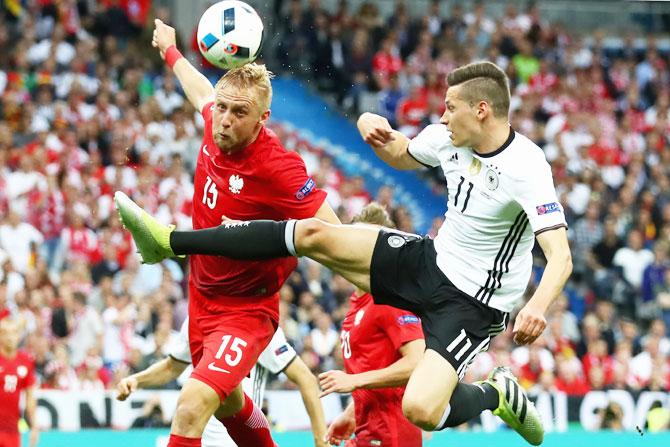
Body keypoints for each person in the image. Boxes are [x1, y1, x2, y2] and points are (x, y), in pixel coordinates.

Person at [115, 61, 573, 445]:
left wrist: (536, 306)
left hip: (472, 302)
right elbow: (403, 153)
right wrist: (377, 132)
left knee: (421, 408)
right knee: (314, 234)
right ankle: (172, 241)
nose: (443, 116)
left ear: (482, 110)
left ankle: (496, 396)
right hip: (429, 260)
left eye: (450, 108)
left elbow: (560, 256)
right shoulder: (448, 137)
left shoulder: (526, 167)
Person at [147, 19, 340, 447]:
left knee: (193, 401)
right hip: (201, 299)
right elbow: (199, 89)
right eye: (222, 108)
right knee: (231, 406)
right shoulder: (212, 121)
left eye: (239, 113)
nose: (224, 121)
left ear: (262, 118)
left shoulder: (278, 167)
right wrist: (171, 52)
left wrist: (274, 236)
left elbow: (334, 231)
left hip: (246, 311)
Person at [116, 319, 327, 447]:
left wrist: (320, 441)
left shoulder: (259, 323)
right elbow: (172, 366)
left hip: (239, 440)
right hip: (198, 439)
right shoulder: (195, 319)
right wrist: (137, 379)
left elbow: (306, 379)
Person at [318, 203, 425, 447]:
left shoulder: (390, 299)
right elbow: (375, 368)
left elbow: (418, 362)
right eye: (357, 240)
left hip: (392, 435)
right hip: (367, 432)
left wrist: (354, 381)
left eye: (370, 243)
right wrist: (349, 415)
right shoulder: (358, 302)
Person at [0, 318, 39, 447]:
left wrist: (34, 425)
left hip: (12, 430)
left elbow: (30, 396)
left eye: (14, 333)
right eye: (6, 333)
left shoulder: (25, 361)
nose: (11, 337)